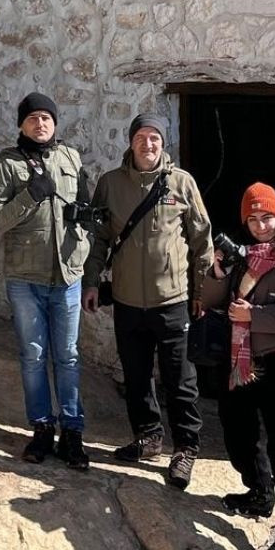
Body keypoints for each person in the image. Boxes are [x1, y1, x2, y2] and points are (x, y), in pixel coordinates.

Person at [81, 112, 213, 490]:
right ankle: (149, 436)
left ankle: (185, 448)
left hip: (172, 300)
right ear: (131, 142)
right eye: (141, 137)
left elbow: (202, 240)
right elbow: (99, 240)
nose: (148, 144)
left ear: (163, 143)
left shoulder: (181, 183)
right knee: (136, 376)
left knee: (180, 381)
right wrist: (92, 283)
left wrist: (202, 292)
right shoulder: (110, 184)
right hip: (126, 300)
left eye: (155, 138)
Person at [201, 182, 275, 550]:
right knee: (237, 430)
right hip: (240, 360)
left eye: (266, 216)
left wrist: (254, 317)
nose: (260, 225)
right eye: (252, 218)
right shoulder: (243, 256)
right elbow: (213, 301)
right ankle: (259, 492)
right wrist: (217, 272)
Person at [0, 92, 93, 470]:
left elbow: (87, 210)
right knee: (33, 355)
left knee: (68, 356)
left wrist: (86, 220)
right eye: (33, 119)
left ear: (56, 124)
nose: (40, 124)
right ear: (21, 124)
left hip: (67, 275)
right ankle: (42, 427)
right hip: (25, 277)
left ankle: (73, 432)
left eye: (47, 118)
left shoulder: (71, 158)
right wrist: (30, 195)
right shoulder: (7, 164)